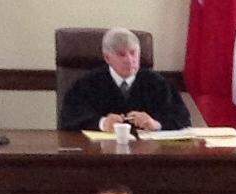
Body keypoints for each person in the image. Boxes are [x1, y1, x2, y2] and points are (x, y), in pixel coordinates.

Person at [58, 27, 190, 133]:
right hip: (98, 157)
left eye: (133, 53)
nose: (129, 60)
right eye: (122, 54)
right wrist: (103, 123)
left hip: (147, 157)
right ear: (107, 57)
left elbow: (182, 119)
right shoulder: (86, 84)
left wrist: (156, 124)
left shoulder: (158, 83)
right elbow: (68, 119)